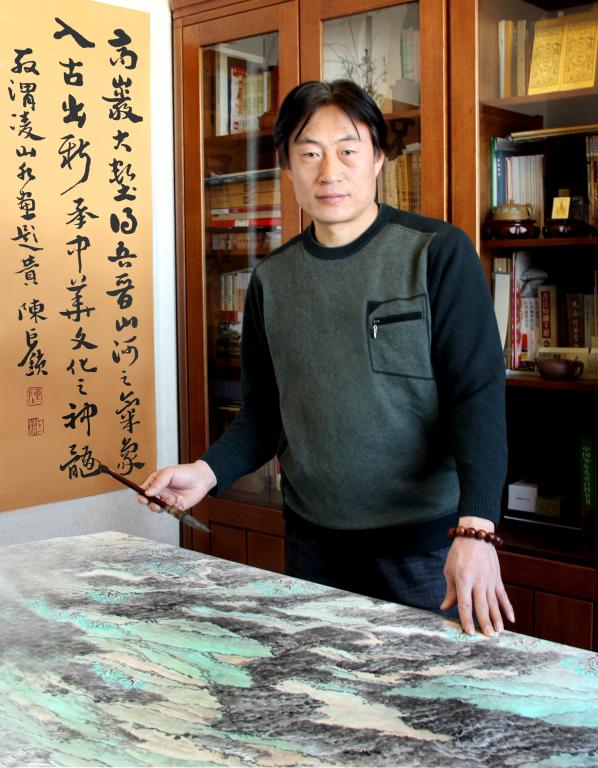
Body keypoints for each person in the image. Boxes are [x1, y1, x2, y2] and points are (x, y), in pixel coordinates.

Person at [140, 79, 515, 637]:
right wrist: (206, 471)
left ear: (379, 159)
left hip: (427, 549)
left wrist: (476, 529)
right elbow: (265, 413)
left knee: (433, 691)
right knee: (318, 688)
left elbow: (477, 397)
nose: (329, 172)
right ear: (287, 169)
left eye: (348, 150)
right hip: (312, 546)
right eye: (310, 153)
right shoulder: (272, 280)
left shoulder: (435, 252)